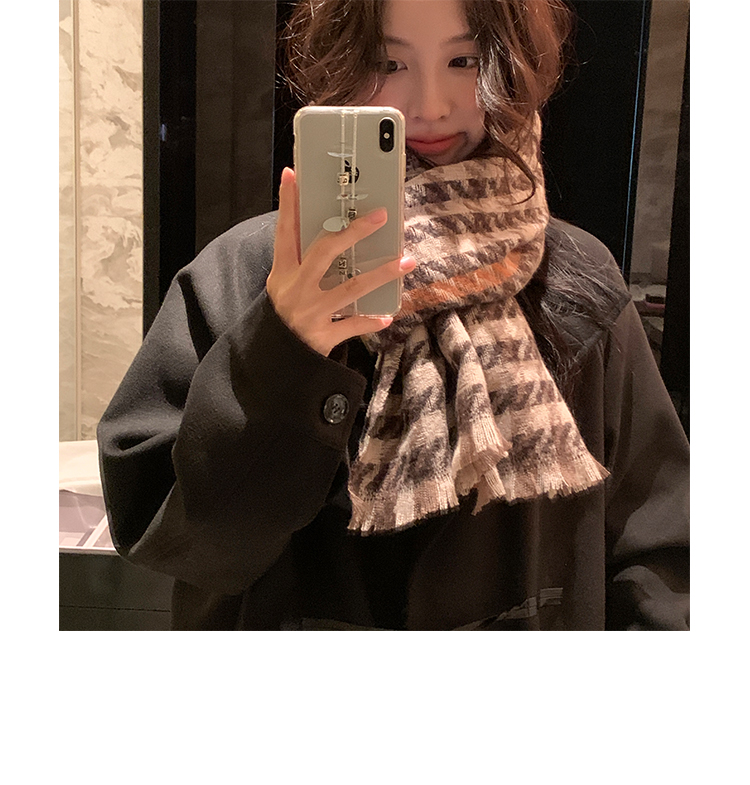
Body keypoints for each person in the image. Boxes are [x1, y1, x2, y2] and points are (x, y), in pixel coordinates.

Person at [97, 0, 689, 630]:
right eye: (387, 63)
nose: (430, 106)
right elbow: (177, 541)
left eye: (465, 60)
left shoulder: (574, 278)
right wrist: (282, 348)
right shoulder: (244, 272)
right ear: (342, 66)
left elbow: (658, 551)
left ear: (511, 66)